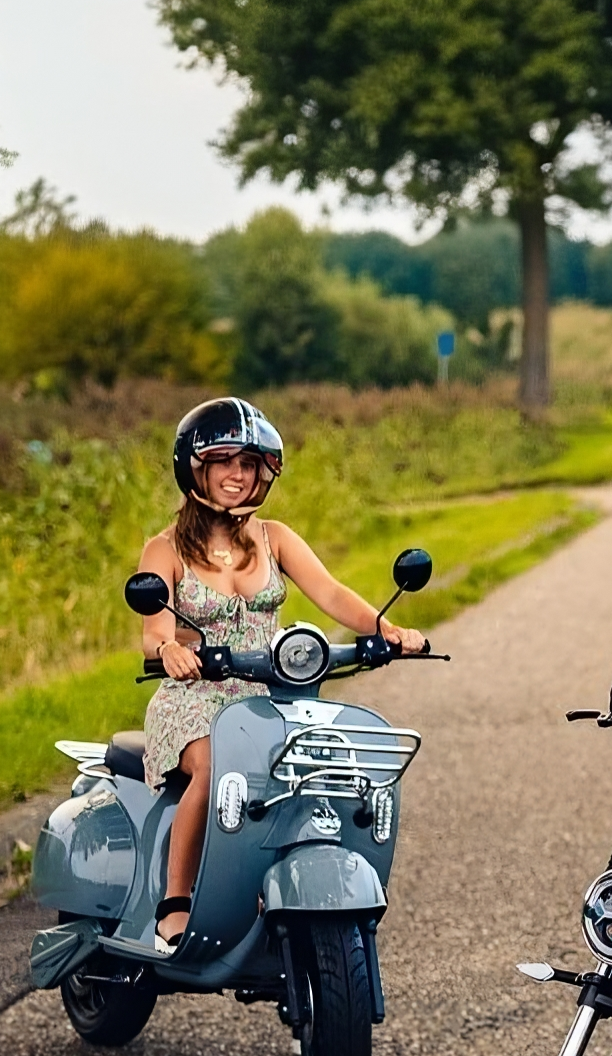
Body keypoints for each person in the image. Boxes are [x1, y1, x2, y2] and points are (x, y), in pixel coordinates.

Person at [139, 397, 425, 952]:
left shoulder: (274, 538)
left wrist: (387, 629)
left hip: (271, 695)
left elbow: (333, 593)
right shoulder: (165, 548)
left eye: (249, 465)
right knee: (215, 768)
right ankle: (175, 903)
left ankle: (308, 887)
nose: (237, 475)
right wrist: (170, 648)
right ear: (195, 468)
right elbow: (153, 630)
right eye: (224, 462)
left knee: (329, 766)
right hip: (195, 696)